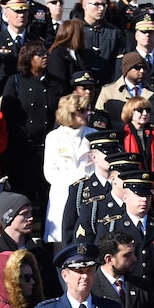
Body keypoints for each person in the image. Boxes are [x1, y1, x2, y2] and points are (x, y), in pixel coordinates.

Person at [1, 39, 61, 209]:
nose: (45, 57)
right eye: (40, 54)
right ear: (28, 57)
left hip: (48, 149)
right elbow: (8, 114)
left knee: (47, 195)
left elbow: (60, 113)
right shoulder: (15, 81)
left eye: (46, 54)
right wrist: (22, 135)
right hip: (23, 149)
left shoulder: (55, 84)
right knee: (23, 194)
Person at [43, 93, 91, 242]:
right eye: (81, 110)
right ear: (69, 112)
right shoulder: (53, 137)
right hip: (63, 195)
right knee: (61, 242)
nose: (87, 113)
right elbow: (50, 171)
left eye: (87, 109)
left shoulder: (94, 135)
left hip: (87, 196)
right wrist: (71, 189)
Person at [119, 96, 154, 215]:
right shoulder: (122, 135)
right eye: (140, 110)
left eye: (148, 110)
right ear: (130, 112)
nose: (145, 113)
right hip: (132, 186)